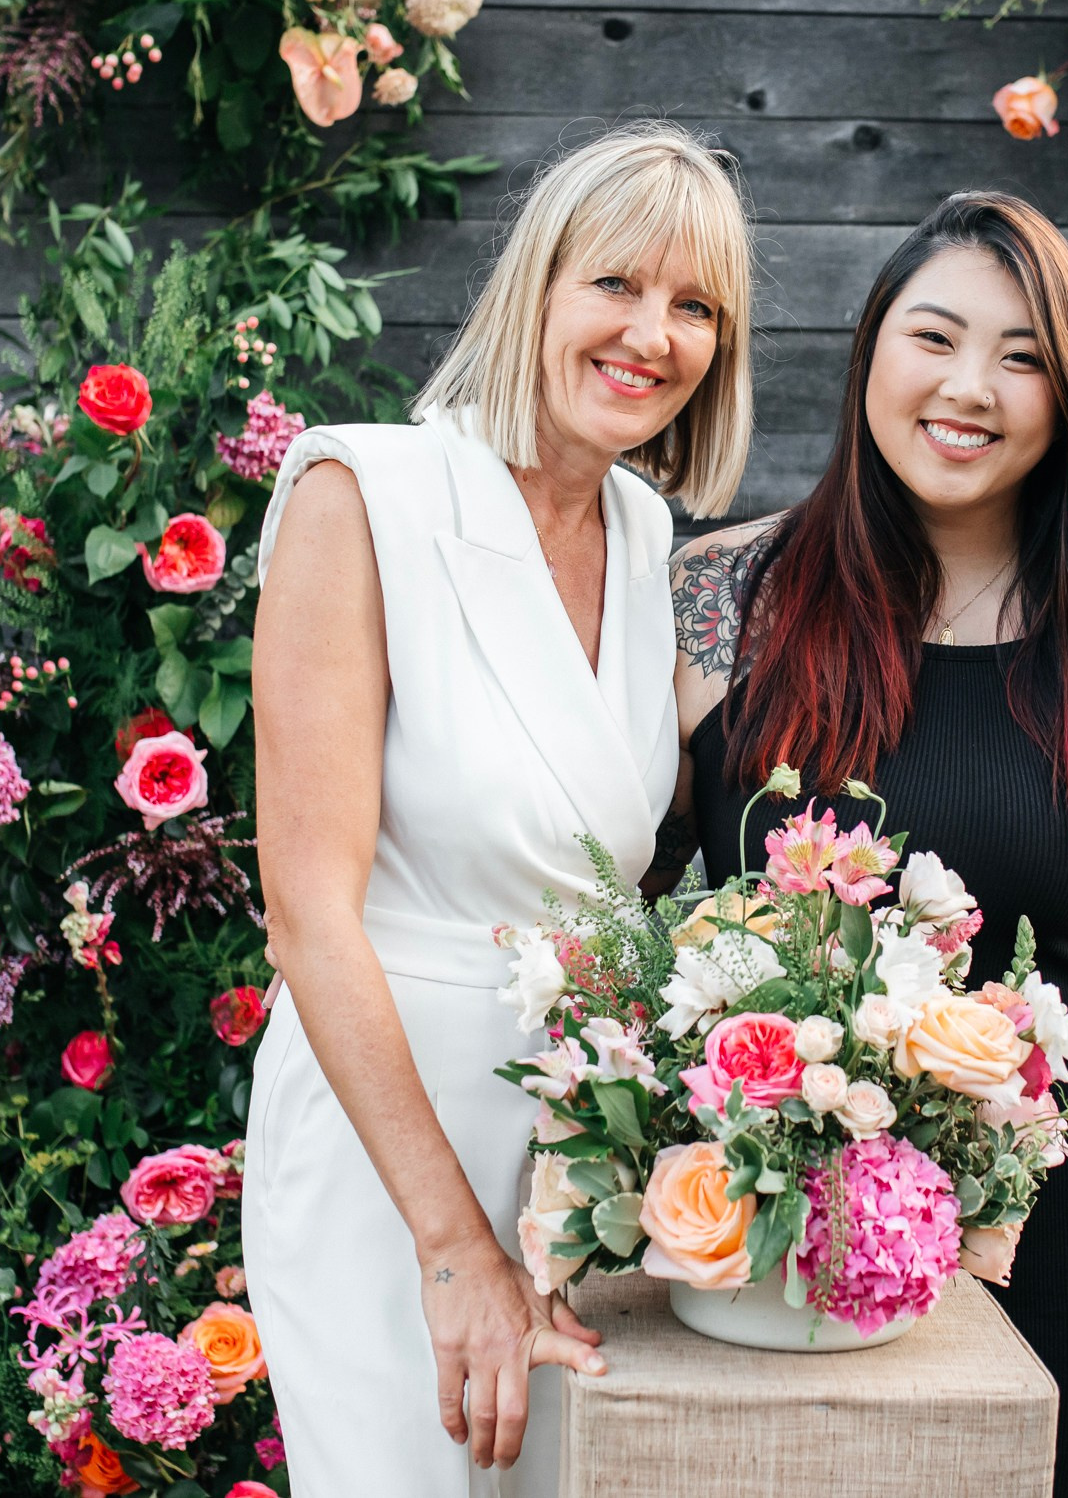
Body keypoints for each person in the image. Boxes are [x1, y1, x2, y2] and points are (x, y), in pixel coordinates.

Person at [659, 191, 1068, 1497]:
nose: (969, 387)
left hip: (1056, 1260)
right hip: (764, 1261)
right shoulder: (719, 602)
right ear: (872, 348)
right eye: (934, 337)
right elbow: (613, 913)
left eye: (1022, 357)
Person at [245, 123, 754, 1496]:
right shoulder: (364, 492)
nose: (651, 335)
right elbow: (308, 916)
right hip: (389, 1142)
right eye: (617, 285)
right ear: (537, 285)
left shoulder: (648, 538)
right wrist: (455, 1249)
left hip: (575, 1149)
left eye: (695, 306)